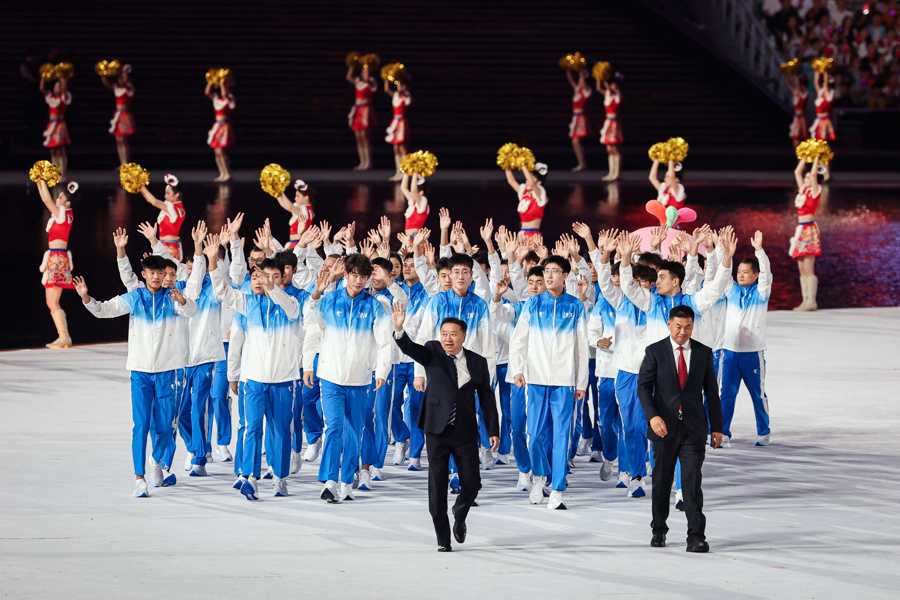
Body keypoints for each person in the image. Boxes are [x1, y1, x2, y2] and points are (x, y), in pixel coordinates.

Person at [73, 257, 198, 498]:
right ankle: (140, 479)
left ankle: (155, 458)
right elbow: (103, 310)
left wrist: (182, 299)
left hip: (166, 371)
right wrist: (86, 298)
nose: (156, 276)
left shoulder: (172, 297)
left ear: (164, 275)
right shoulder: (135, 298)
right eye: (151, 272)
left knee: (165, 428)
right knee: (140, 426)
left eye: (159, 272)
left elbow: (192, 310)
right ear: (144, 274)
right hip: (140, 373)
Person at [392, 305, 499, 552]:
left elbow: (486, 397)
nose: (447, 339)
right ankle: (443, 539)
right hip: (436, 429)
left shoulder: (478, 361)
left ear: (464, 336)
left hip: (465, 432)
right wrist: (399, 329)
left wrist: (492, 429)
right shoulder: (432, 351)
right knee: (437, 487)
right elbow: (410, 348)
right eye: (444, 333)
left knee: (472, 484)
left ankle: (459, 514)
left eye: (453, 334)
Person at [205, 236, 302, 500]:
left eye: (271, 276)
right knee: (251, 428)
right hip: (255, 380)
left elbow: (290, 308)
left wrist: (272, 288)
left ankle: (280, 478)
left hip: (284, 379)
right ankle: (249, 477)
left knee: (281, 431)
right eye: (259, 276)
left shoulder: (292, 304)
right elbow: (223, 292)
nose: (263, 281)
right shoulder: (249, 305)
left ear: (282, 278)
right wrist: (213, 260)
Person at [303, 255, 392, 503]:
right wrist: (308, 364)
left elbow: (385, 342)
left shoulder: (374, 306)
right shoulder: (329, 300)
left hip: (360, 379)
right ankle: (330, 481)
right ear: (346, 275)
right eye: (354, 275)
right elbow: (311, 328)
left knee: (355, 432)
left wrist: (382, 371)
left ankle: (346, 481)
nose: (359, 281)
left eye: (363, 277)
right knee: (334, 428)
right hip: (330, 376)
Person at [638, 305, 724, 552]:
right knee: (662, 481)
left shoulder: (703, 352)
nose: (683, 332)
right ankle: (659, 530)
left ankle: (696, 536)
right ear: (669, 324)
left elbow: (711, 392)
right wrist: (653, 417)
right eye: (678, 326)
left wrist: (717, 427)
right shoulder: (655, 351)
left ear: (693, 326)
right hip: (663, 428)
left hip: (693, 429)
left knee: (691, 483)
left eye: (688, 327)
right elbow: (643, 387)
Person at [509, 255, 589, 510]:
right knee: (536, 435)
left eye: (555, 271)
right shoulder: (532, 304)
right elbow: (518, 341)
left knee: (561, 436)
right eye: (547, 271)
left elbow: (582, 349)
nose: (549, 276)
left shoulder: (576, 307)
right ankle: (539, 477)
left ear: (566, 276)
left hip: (564, 383)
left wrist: (581, 383)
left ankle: (557, 489)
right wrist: (517, 370)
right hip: (536, 380)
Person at [718, 231, 774, 447]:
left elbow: (767, 274)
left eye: (745, 272)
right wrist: (726, 254)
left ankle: (764, 432)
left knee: (758, 395)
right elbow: (722, 275)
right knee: (727, 396)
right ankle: (722, 434)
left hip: (752, 354)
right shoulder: (730, 291)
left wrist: (759, 251)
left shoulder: (761, 293)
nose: (740, 275)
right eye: (738, 271)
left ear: (755, 275)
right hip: (730, 353)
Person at [36, 179, 77, 348]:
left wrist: (41, 180)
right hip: (57, 258)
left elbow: (46, 200)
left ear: (67, 202)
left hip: (57, 259)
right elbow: (46, 200)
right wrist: (39, 181)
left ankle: (64, 337)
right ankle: (63, 336)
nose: (56, 200)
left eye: (60, 198)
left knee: (52, 301)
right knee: (52, 301)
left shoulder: (62, 213)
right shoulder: (64, 215)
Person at [790, 157, 822, 311]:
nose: (806, 178)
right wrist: (805, 156)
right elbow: (797, 172)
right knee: (801, 267)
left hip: (809, 230)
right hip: (800, 230)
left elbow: (815, 175)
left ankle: (812, 301)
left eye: (808, 176)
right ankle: (805, 301)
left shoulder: (815, 191)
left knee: (809, 267)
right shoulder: (803, 190)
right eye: (806, 176)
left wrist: (816, 156)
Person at [140, 174, 186, 261]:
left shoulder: (176, 209)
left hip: (170, 247)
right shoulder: (170, 208)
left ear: (177, 195)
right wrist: (139, 187)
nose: (165, 196)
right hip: (163, 245)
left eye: (168, 193)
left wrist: (141, 185)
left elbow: (154, 202)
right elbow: (150, 200)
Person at [101, 64, 136, 165]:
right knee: (118, 139)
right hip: (118, 115)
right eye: (121, 76)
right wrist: (103, 74)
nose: (122, 78)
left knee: (123, 139)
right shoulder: (117, 88)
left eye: (124, 77)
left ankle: (126, 162)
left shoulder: (129, 88)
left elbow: (130, 92)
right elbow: (108, 84)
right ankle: (122, 162)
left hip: (125, 115)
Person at [347, 62, 378, 171]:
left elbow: (370, 82)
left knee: (365, 137)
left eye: (366, 71)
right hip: (357, 109)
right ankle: (362, 162)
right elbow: (349, 77)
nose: (364, 72)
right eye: (363, 70)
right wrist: (352, 63)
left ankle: (369, 162)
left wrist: (367, 69)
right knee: (358, 137)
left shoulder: (371, 82)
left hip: (365, 110)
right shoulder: (358, 82)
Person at [39, 74, 71, 176]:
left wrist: (63, 82)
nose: (57, 88)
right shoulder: (51, 97)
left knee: (60, 149)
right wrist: (43, 77)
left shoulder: (64, 97)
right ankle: (55, 172)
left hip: (59, 125)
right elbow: (42, 88)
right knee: (53, 149)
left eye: (59, 86)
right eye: (56, 86)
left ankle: (63, 172)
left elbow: (65, 93)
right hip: (51, 125)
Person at [505, 163, 548, 237]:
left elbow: (531, 183)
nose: (527, 181)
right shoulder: (524, 193)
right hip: (522, 233)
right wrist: (506, 165)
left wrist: (522, 164)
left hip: (533, 235)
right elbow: (511, 182)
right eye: (527, 179)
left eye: (530, 178)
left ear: (539, 183)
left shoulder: (540, 193)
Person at [205, 77, 235, 182]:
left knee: (221, 151)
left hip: (224, 127)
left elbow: (224, 94)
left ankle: (228, 173)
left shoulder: (229, 99)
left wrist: (222, 83)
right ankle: (222, 173)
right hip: (217, 126)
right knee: (216, 151)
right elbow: (207, 92)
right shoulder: (216, 99)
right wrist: (211, 82)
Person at [597, 73, 624, 181]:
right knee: (609, 149)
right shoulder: (608, 93)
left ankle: (617, 173)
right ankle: (611, 172)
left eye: (614, 84)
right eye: (611, 84)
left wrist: (604, 79)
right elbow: (598, 88)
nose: (612, 86)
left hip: (614, 123)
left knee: (615, 148)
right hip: (608, 122)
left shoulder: (617, 94)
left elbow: (608, 88)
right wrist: (598, 77)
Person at [384, 75, 411, 181]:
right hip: (395, 121)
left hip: (402, 123)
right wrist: (387, 77)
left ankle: (405, 173)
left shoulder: (406, 96)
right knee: (396, 148)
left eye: (401, 85)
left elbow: (408, 102)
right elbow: (387, 89)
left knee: (402, 148)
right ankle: (398, 172)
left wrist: (402, 90)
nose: (399, 87)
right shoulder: (395, 95)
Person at [275, 179, 315, 249]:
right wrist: (276, 192)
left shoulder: (305, 210)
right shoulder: (306, 209)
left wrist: (279, 189)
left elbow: (289, 207)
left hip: (298, 243)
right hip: (295, 243)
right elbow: (284, 205)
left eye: (298, 196)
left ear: (306, 198)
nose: (295, 198)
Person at [810, 69, 835, 180]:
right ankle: (819, 170)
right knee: (818, 147)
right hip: (819, 122)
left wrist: (825, 72)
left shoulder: (830, 94)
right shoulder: (820, 93)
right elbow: (816, 82)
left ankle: (827, 172)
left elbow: (824, 84)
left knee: (825, 148)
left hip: (825, 122)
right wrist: (817, 71)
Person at [566, 68, 592, 172]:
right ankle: (581, 163)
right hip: (575, 117)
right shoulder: (577, 90)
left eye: (582, 80)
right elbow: (571, 80)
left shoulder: (587, 91)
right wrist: (568, 68)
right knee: (574, 142)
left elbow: (584, 84)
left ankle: (582, 163)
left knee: (576, 141)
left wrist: (583, 76)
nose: (580, 81)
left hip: (581, 118)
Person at [784, 72, 809, 148]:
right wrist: (787, 75)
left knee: (803, 138)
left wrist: (794, 73)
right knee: (795, 137)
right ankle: (798, 156)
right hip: (797, 118)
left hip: (802, 118)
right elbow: (789, 85)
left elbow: (797, 85)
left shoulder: (805, 93)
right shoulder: (797, 92)